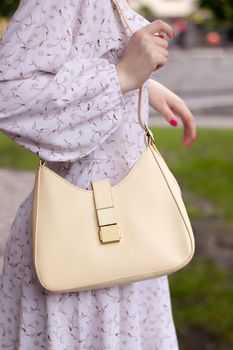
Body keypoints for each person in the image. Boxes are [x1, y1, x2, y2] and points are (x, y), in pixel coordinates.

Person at [0, 0, 196, 349]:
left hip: (133, 240)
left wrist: (143, 88)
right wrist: (120, 76)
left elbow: (76, 56)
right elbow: (8, 93)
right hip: (76, 248)